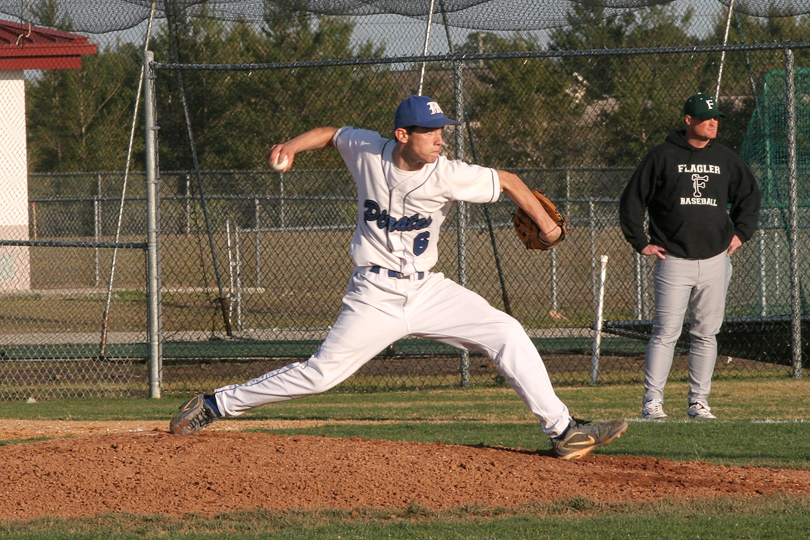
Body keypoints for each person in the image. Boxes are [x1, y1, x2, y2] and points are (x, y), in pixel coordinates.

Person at [170, 95, 628, 459]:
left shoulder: (449, 174)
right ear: (402, 134)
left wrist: (547, 226)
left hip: (428, 289)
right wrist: (291, 145)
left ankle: (564, 431)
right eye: (429, 131)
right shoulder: (368, 149)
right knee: (321, 375)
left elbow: (507, 180)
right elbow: (331, 134)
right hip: (374, 292)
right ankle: (213, 404)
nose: (439, 139)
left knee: (507, 332)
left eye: (442, 130)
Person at [619, 93, 761, 420]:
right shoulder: (663, 155)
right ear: (688, 120)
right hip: (674, 260)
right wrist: (641, 242)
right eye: (705, 117)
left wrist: (741, 234)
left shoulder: (726, 159)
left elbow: (750, 199)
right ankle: (652, 404)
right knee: (665, 333)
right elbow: (632, 202)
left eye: (716, 118)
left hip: (715, 260)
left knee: (705, 333)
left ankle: (699, 402)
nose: (713, 122)